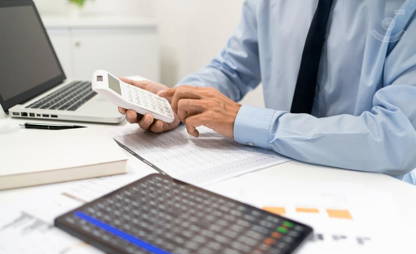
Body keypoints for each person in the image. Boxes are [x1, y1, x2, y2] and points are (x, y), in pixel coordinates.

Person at [119, 0, 416, 184]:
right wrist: (179, 101)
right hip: (279, 175)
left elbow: (397, 136)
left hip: (374, 190)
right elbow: (232, 68)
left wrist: (244, 120)